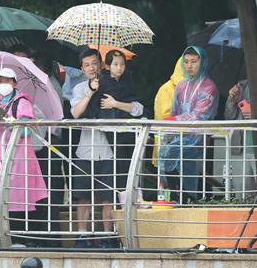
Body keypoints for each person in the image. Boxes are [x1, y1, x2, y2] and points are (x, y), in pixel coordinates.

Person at [0, 68, 48, 245]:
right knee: (0, 195)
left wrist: (10, 124)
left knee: (18, 195)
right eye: (0, 81)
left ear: (15, 83)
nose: (3, 85)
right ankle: (1, 237)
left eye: (7, 81)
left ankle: (21, 237)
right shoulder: (0, 103)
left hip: (17, 155)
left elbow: (26, 130)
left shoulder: (21, 102)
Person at [158, 46, 218, 202]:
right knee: (165, 151)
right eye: (186, 62)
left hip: (197, 136)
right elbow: (174, 111)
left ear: (202, 62)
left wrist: (174, 121)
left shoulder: (209, 87)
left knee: (178, 157)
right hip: (179, 135)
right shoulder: (181, 85)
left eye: (194, 61)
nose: (189, 66)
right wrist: (169, 133)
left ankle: (187, 197)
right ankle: (176, 195)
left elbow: (199, 116)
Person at [70, 48, 115, 243]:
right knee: (83, 197)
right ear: (81, 68)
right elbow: (75, 113)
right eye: (86, 65)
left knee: (107, 197)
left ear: (101, 65)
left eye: (94, 63)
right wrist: (90, 92)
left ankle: (107, 236)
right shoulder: (79, 88)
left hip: (107, 150)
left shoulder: (110, 84)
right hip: (85, 149)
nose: (91, 68)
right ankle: (82, 235)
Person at [98, 50, 144, 195]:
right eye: (115, 64)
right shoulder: (100, 83)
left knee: (129, 166)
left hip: (128, 132)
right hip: (109, 134)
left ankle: (128, 199)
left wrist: (115, 103)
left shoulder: (129, 81)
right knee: (114, 168)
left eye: (122, 64)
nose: (119, 68)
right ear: (107, 66)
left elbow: (138, 108)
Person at [152, 57, 183, 168]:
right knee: (167, 182)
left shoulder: (192, 90)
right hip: (167, 147)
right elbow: (167, 116)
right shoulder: (167, 89)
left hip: (183, 148)